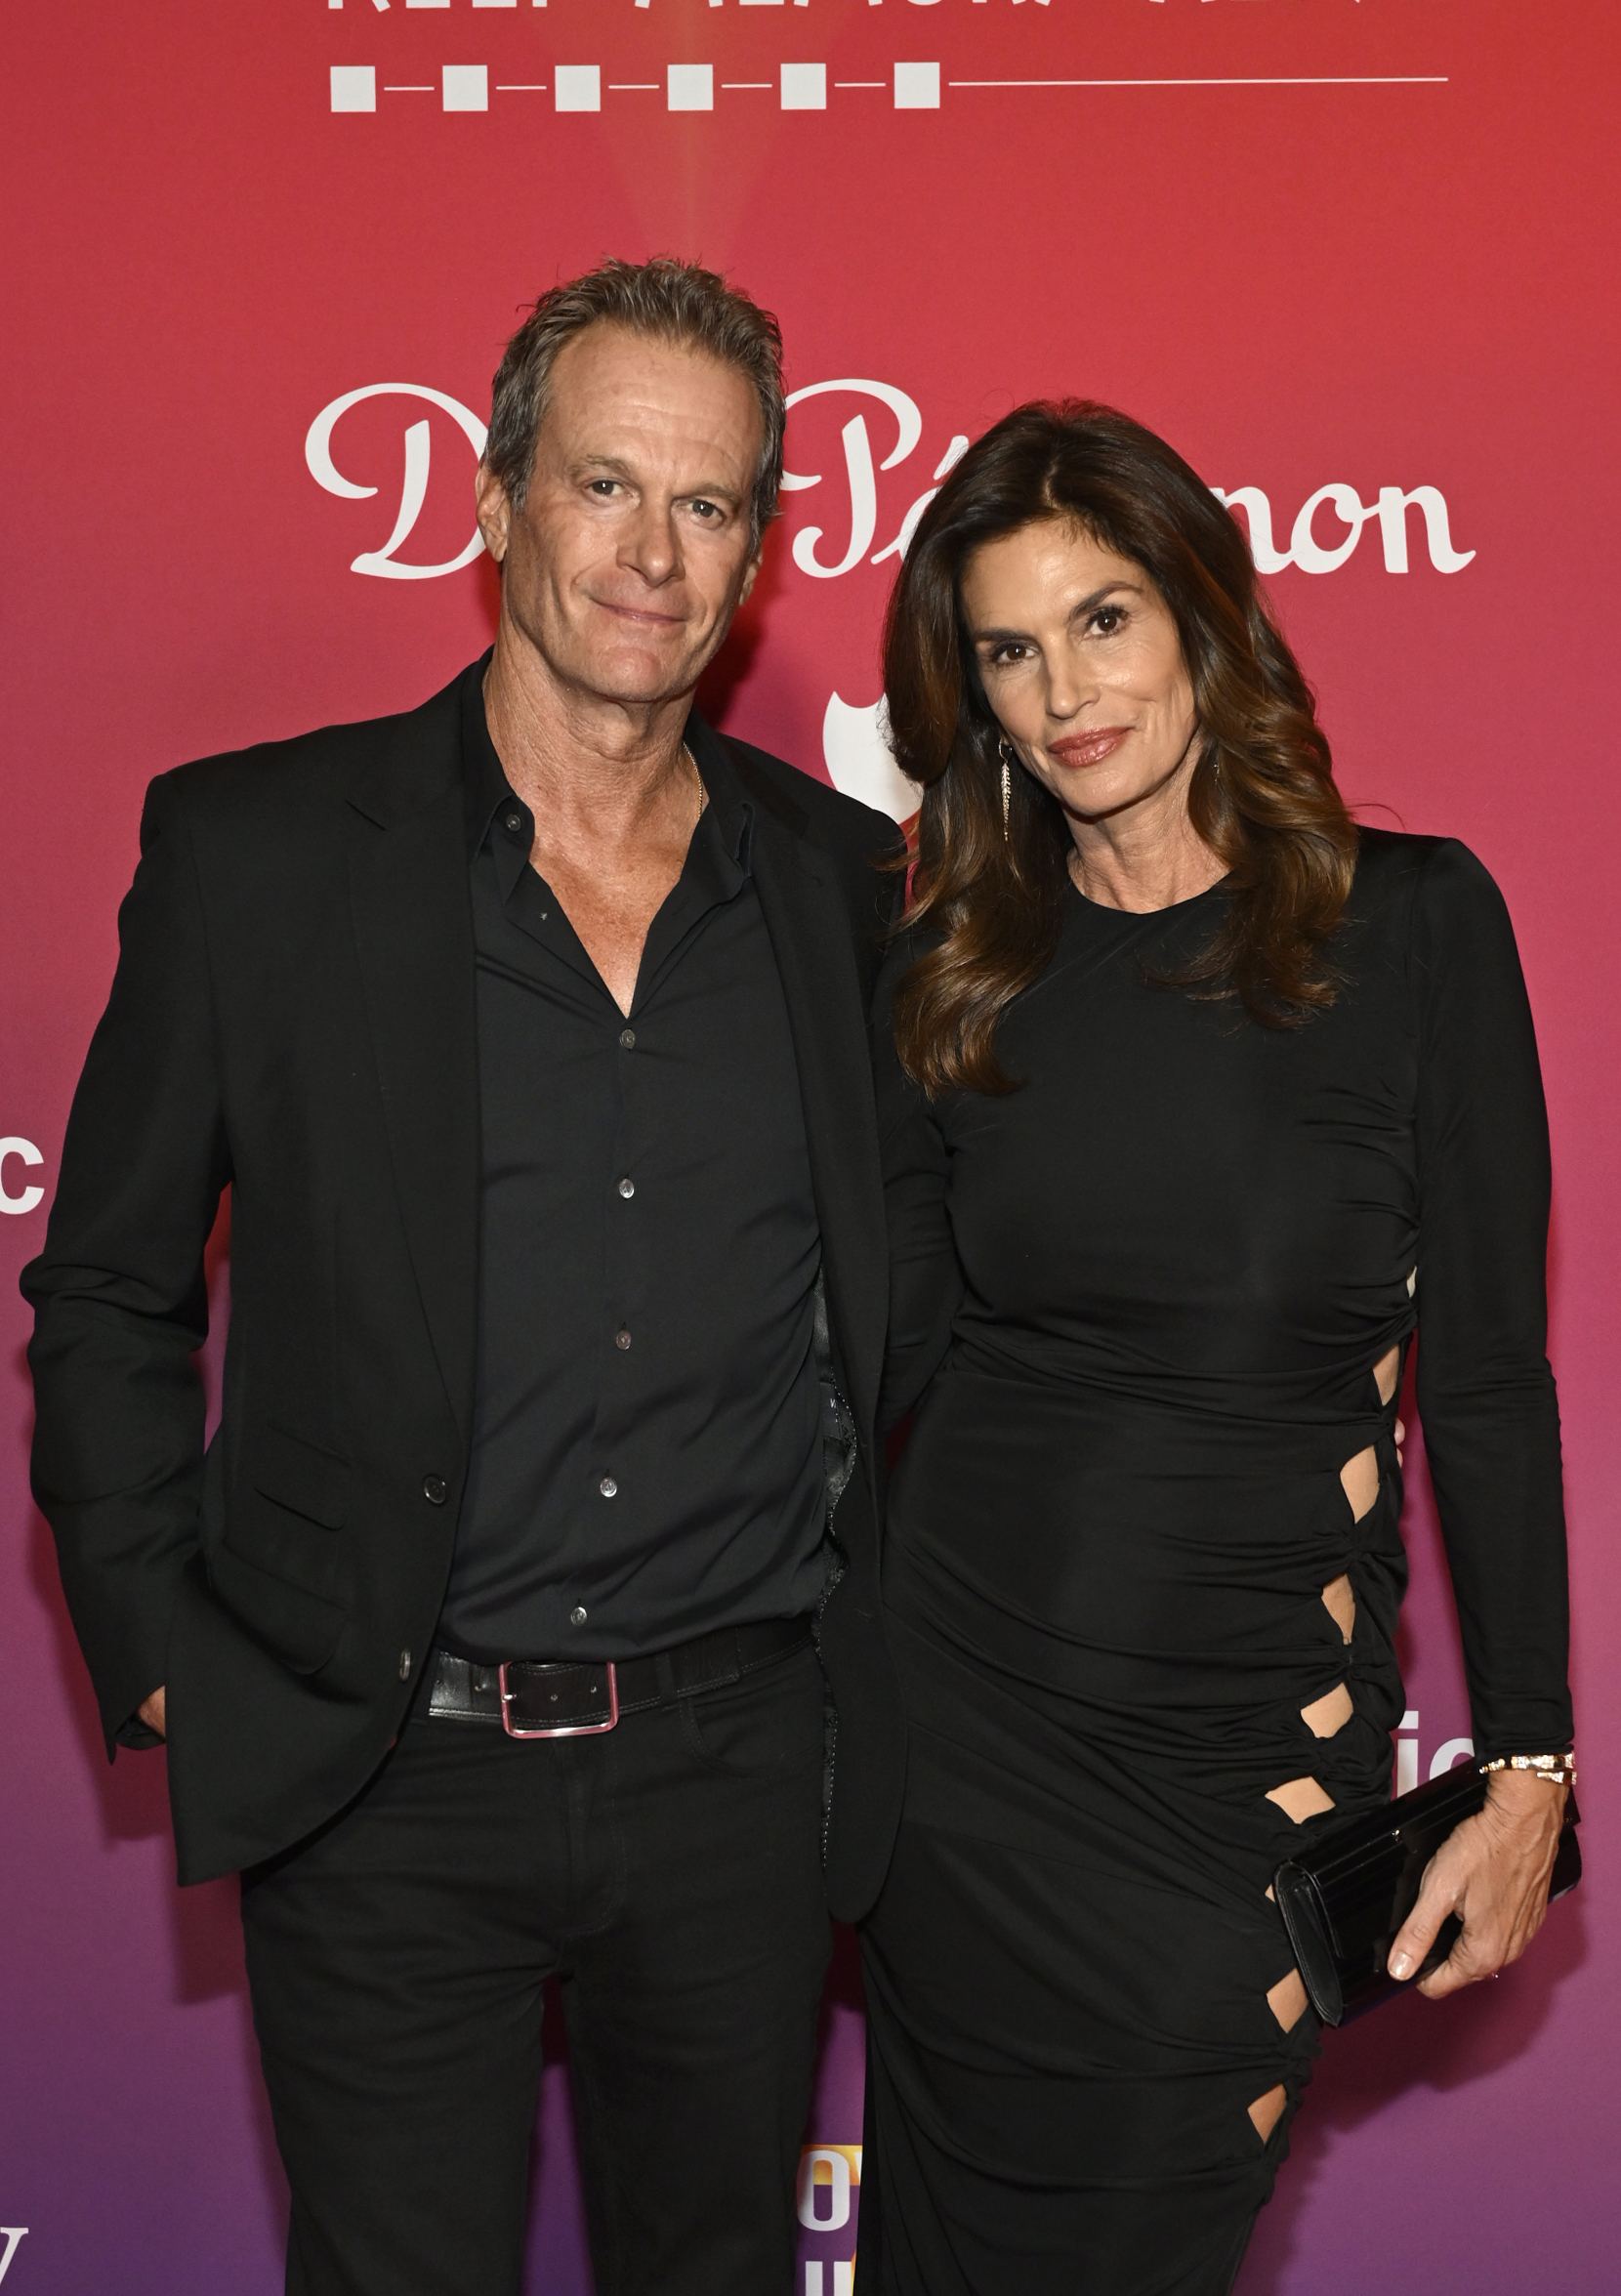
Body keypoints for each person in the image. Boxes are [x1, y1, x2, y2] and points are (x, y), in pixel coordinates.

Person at [22, 258, 908, 2296]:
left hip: (736, 1780)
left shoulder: (844, 889)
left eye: (707, 503)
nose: (652, 553)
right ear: (496, 498)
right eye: (604, 484)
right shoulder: (259, 856)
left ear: (759, 550)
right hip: (383, 1777)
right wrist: (163, 1649)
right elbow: (109, 1293)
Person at [855, 401, 1574, 2295]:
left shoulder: (1412, 928)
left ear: (1200, 616)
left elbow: (1487, 1380)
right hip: (961, 1760)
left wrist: (1528, 1763)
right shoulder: (950, 979)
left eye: (1102, 620)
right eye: (1008, 651)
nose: (1063, 692)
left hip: (1234, 1769)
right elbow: (876, 1369)